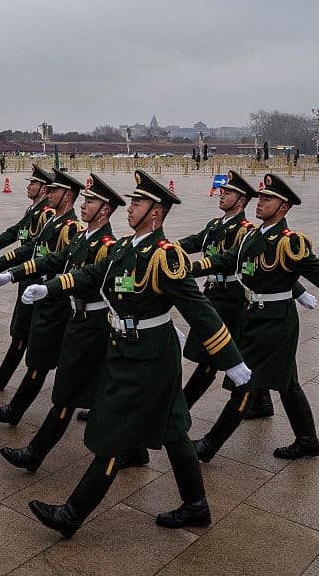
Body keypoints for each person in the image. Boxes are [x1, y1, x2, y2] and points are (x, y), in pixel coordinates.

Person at [20, 170, 251, 537]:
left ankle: (72, 515)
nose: (131, 208)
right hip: (128, 351)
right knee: (175, 431)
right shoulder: (125, 247)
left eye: (139, 203)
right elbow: (92, 274)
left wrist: (232, 360)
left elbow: (199, 311)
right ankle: (196, 505)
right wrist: (49, 288)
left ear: (156, 213)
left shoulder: (165, 255)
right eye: (133, 201)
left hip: (149, 358)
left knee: (112, 434)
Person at [191, 173, 319, 463]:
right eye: (261, 197)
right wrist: (191, 269)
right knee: (289, 384)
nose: (260, 202)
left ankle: (209, 446)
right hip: (255, 316)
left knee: (246, 384)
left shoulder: (290, 243)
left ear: (284, 207)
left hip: (277, 323)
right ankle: (307, 441)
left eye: (268, 199)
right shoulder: (252, 237)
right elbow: (225, 261)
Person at [0, 173, 146, 471]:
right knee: (101, 386)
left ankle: (35, 453)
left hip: (94, 324)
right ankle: (136, 449)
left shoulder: (108, 246)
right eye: (84, 199)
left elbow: (110, 284)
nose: (83, 205)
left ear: (105, 209)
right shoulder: (83, 237)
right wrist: (12, 274)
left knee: (67, 394)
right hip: (80, 319)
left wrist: (138, 317)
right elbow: (51, 260)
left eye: (91, 201)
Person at [178, 170, 317, 418]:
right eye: (222, 190)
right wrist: (164, 250)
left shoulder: (245, 231)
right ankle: (262, 402)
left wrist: (298, 291)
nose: (222, 195)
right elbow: (192, 242)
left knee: (211, 358)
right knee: (239, 358)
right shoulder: (214, 225)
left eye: (228, 192)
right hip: (213, 294)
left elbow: (266, 268)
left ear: (241, 200)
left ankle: (179, 411)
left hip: (233, 300)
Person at [0, 168, 85, 427]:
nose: (49, 194)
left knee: (41, 358)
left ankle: (14, 411)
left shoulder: (71, 228)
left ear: (68, 196)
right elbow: (33, 248)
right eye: (48, 189)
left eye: (55, 190)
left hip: (55, 299)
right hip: (40, 292)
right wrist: (6, 268)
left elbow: (61, 263)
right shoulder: (52, 221)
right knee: (49, 354)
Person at [0, 165, 53, 390]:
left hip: (36, 277)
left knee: (25, 332)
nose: (28, 186)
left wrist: (3, 264)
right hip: (26, 273)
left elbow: (32, 248)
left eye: (33, 183)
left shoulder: (46, 214)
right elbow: (14, 233)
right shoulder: (33, 210)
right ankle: (2, 376)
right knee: (21, 331)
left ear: (43, 188)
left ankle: (4, 377)